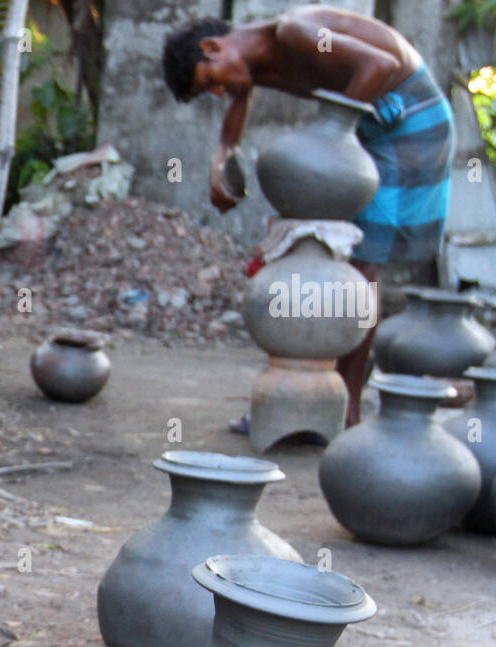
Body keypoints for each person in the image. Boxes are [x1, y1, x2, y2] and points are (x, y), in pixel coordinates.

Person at [162, 5, 455, 426]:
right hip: (363, 124)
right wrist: (222, 162)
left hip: (407, 120)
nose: (221, 92)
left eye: (212, 81)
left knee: (362, 261)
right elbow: (234, 119)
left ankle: (345, 405)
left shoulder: (295, 33)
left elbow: (380, 64)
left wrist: (331, 137)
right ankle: (303, 397)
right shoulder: (250, 65)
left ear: (213, 46)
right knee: (314, 247)